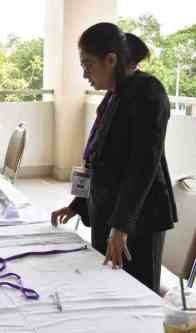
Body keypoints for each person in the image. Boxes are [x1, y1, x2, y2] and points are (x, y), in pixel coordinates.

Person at [51, 23, 177, 293]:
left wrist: (121, 227)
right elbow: (99, 158)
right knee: (108, 290)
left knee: (136, 295)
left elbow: (143, 166)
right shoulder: (113, 94)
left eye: (88, 64)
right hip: (108, 213)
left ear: (111, 60)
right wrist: (78, 204)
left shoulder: (149, 92)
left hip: (138, 220)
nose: (85, 74)